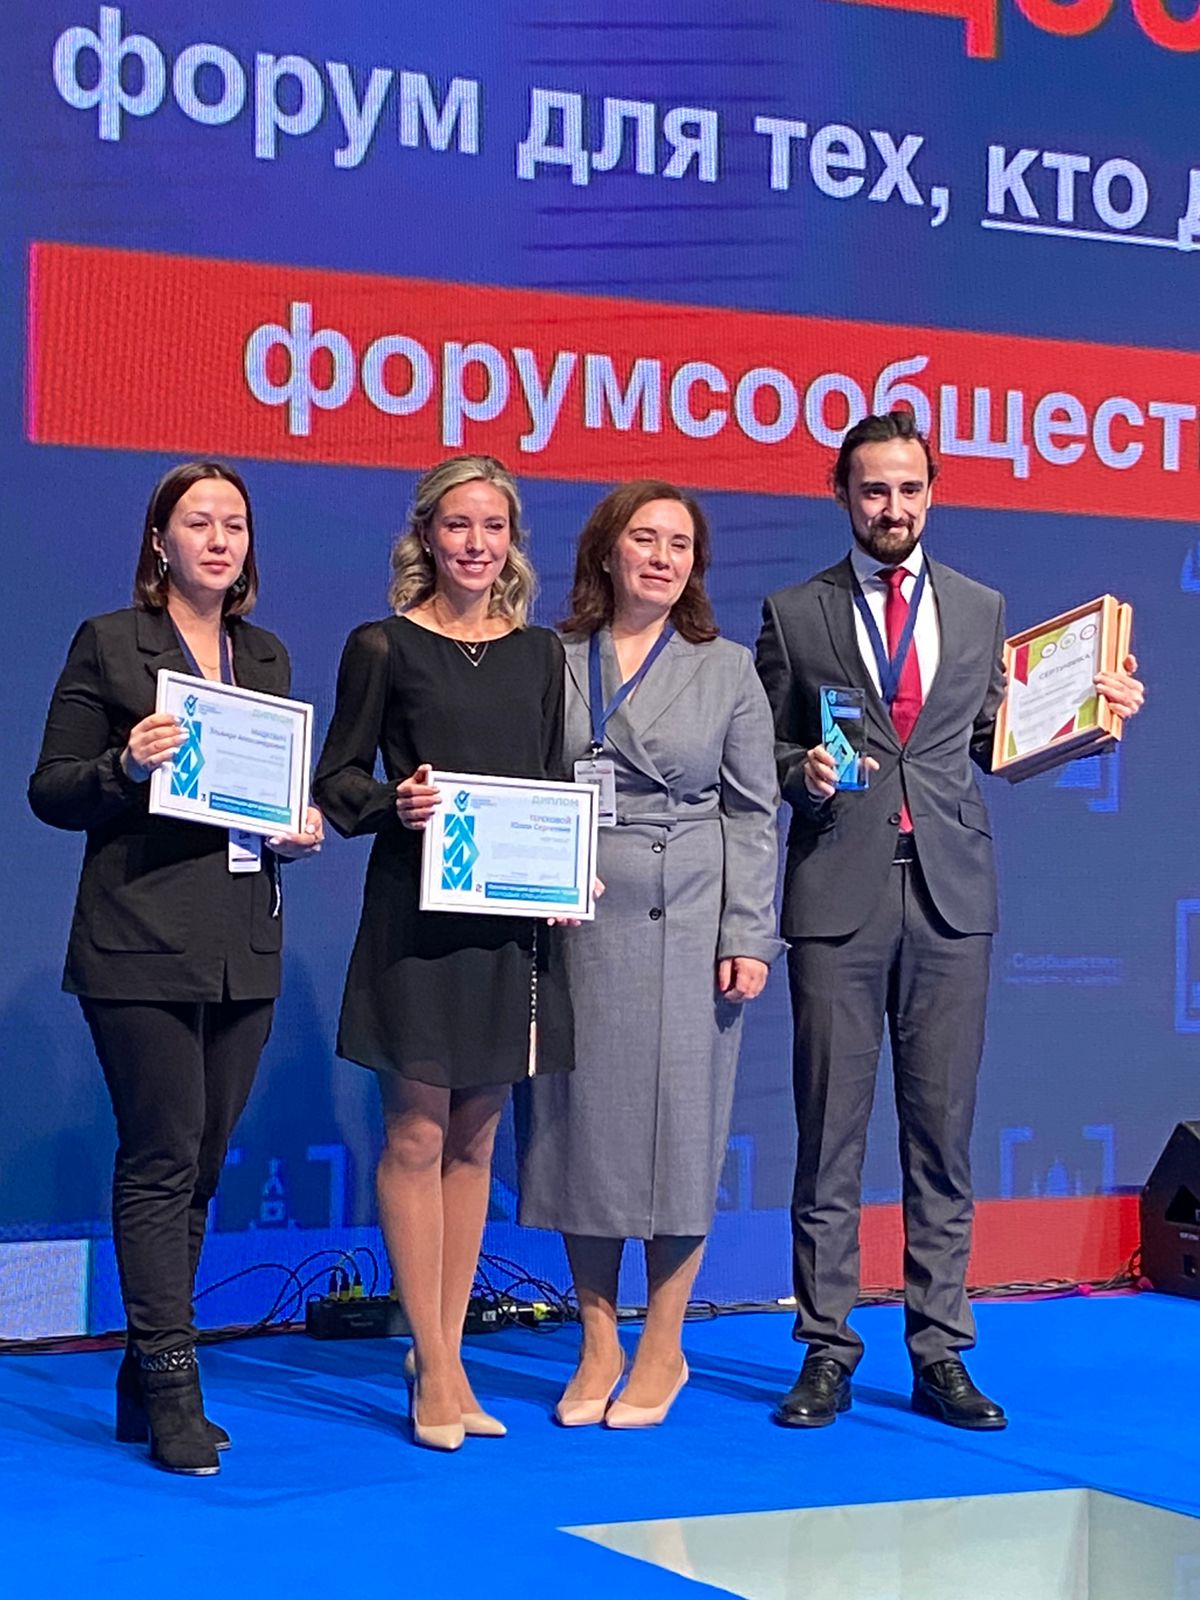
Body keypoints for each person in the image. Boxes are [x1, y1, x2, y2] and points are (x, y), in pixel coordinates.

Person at [756, 410, 1144, 1431]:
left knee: (942, 1138)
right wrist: (803, 771)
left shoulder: (980, 609)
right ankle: (827, 1349)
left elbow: (993, 739)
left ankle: (940, 1350)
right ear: (842, 495)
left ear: (932, 494)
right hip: (836, 893)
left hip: (950, 896)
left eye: (909, 489)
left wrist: (1092, 718)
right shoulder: (794, 613)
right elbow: (761, 751)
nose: (892, 507)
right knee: (827, 1136)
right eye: (873, 489)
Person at [28, 461, 322, 1475]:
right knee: (160, 1158)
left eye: (234, 523)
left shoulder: (266, 654)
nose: (219, 539)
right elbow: (52, 790)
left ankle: (139, 1369)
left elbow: (266, 796)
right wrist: (125, 765)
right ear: (160, 540)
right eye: (199, 522)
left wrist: (295, 829)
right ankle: (172, 1386)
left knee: (199, 1164)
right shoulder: (112, 643)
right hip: (139, 940)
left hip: (244, 943)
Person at [312, 454, 572, 1453]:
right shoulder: (381, 645)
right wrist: (398, 803)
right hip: (414, 921)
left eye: (493, 527)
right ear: (425, 534)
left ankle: (444, 1354)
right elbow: (338, 782)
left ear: (512, 541)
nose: (476, 544)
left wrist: (570, 875)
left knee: (475, 1146)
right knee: (416, 1138)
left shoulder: (539, 654)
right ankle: (434, 1361)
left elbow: (550, 787)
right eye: (458, 525)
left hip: (505, 926)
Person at [518, 480, 783, 1429]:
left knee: (680, 1134)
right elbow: (523, 783)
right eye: (646, 538)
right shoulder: (549, 657)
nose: (663, 558)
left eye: (681, 544)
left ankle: (664, 1345)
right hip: (575, 916)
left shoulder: (727, 667)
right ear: (607, 550)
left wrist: (748, 932)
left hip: (690, 918)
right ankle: (598, 1341)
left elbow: (754, 811)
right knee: (582, 1132)